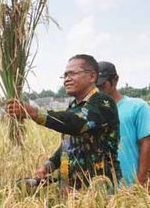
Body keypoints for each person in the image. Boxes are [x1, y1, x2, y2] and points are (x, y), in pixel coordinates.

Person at [7, 54, 122, 190]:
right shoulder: (73, 106)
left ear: (92, 76)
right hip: (72, 192)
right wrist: (48, 165)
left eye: (72, 74)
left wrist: (34, 113)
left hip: (99, 191)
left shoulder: (102, 103)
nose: (67, 79)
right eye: (65, 75)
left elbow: (76, 124)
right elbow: (68, 145)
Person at [96, 61, 149, 186]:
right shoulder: (93, 113)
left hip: (130, 186)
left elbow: (147, 143)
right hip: (101, 187)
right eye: (95, 86)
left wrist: (140, 181)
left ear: (115, 80)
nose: (98, 90)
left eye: (102, 85)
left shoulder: (137, 107)